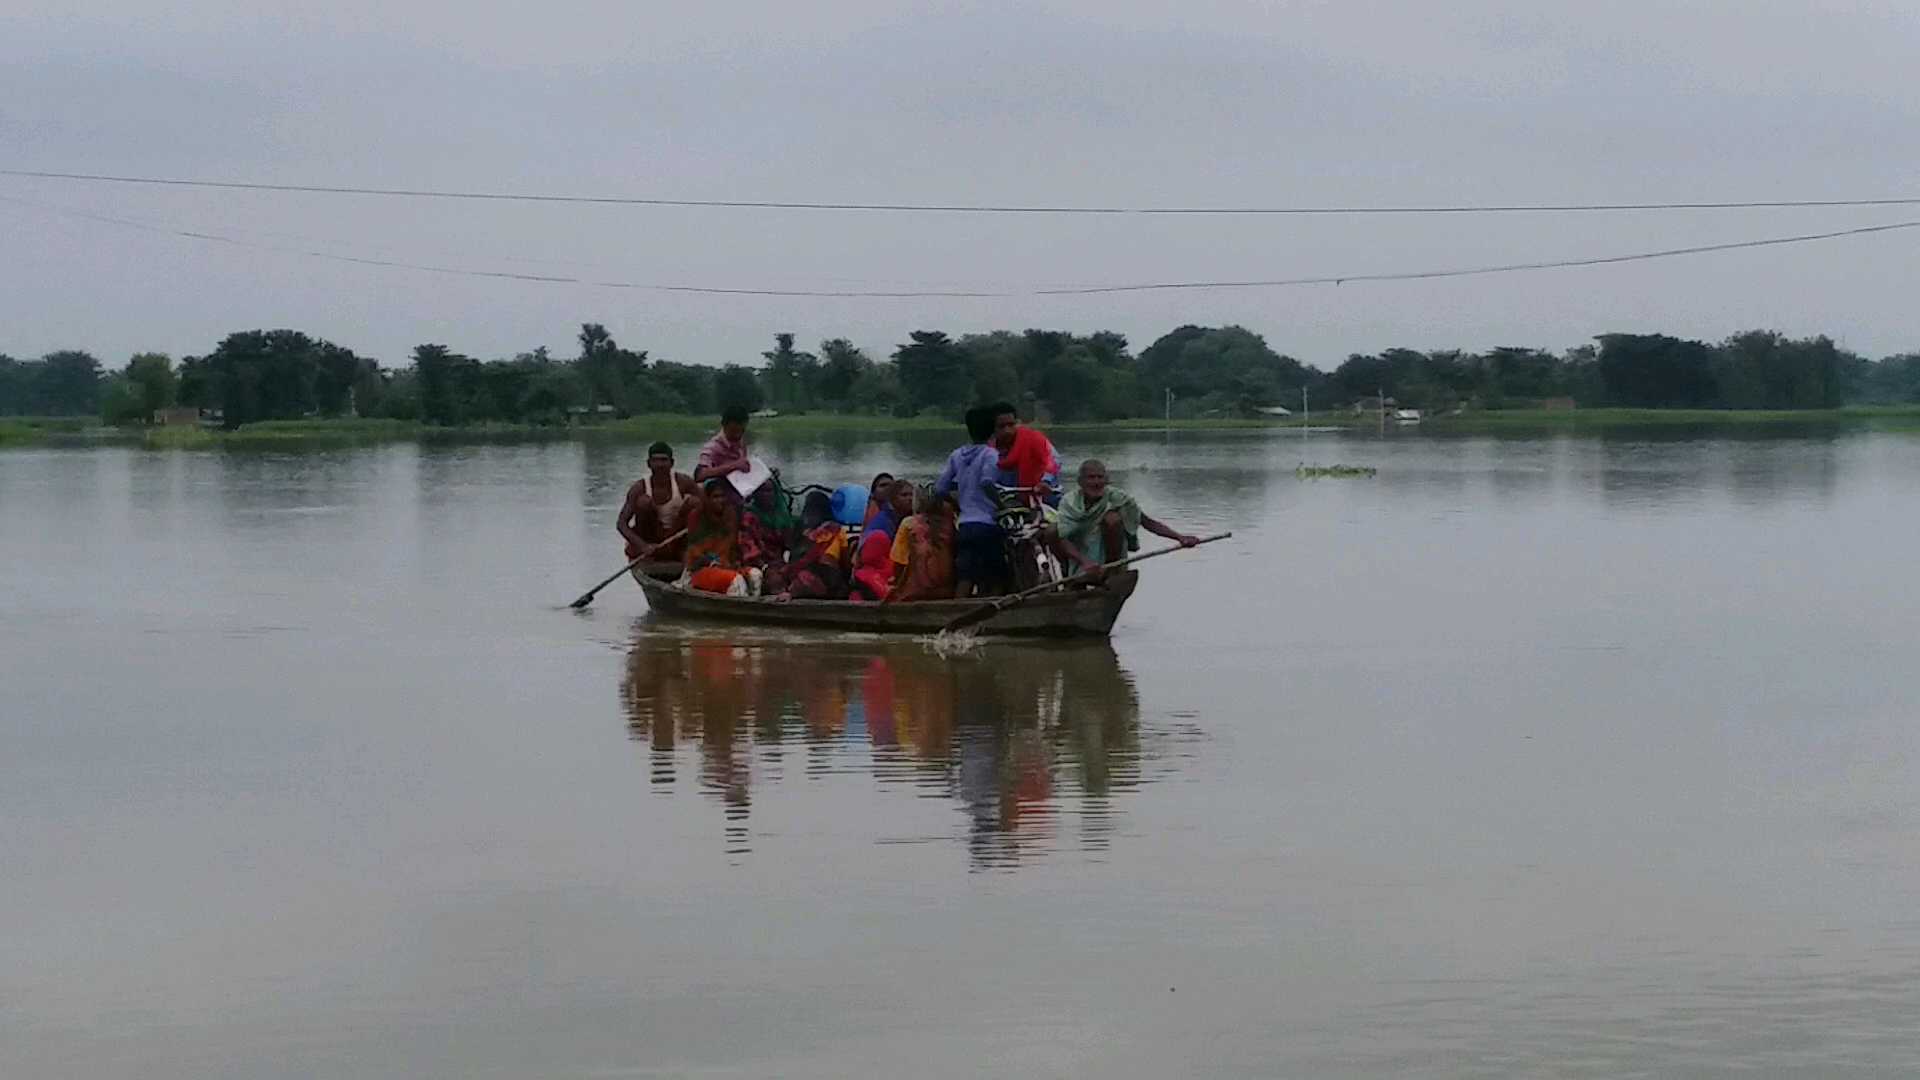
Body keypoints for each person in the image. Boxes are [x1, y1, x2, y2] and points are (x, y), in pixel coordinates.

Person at [1046, 459, 1200, 580]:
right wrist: (1084, 562)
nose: (1096, 482)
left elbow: (1147, 522)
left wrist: (1180, 537)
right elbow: (1062, 537)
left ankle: (1111, 571)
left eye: (1100, 477)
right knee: (1051, 530)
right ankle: (1068, 572)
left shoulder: (1118, 497)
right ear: (1081, 482)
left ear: (1107, 480)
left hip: (1107, 555)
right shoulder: (1069, 502)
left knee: (1112, 519)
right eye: (1091, 478)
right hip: (1079, 557)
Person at [935, 407, 1009, 598]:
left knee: (965, 577)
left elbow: (940, 489)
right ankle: (994, 615)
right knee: (996, 576)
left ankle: (957, 613)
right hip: (987, 525)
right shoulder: (990, 454)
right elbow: (986, 482)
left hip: (965, 525)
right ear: (993, 430)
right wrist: (1002, 506)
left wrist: (957, 503)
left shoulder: (957, 455)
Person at [616, 441, 697, 561]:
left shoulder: (684, 482)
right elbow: (621, 524)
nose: (660, 465)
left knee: (694, 503)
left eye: (664, 460)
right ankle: (653, 555)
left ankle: (684, 553)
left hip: (678, 538)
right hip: (651, 540)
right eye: (655, 460)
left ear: (672, 463)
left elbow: (708, 507)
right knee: (643, 503)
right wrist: (643, 546)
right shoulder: (639, 488)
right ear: (649, 464)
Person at [681, 479, 762, 596]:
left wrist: (734, 562)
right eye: (715, 497)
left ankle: (755, 610)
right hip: (700, 570)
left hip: (727, 565)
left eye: (723, 496)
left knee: (756, 575)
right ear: (707, 499)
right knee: (736, 580)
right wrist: (713, 562)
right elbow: (695, 555)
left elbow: (734, 548)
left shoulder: (731, 515)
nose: (721, 500)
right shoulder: (697, 517)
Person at [776, 491, 851, 601]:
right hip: (831, 587)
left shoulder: (798, 529)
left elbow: (793, 558)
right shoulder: (836, 529)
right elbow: (846, 563)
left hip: (799, 585)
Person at [884, 487, 956, 603]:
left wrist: (897, 587)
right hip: (947, 591)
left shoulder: (910, 524)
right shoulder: (950, 527)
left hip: (917, 592)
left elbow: (899, 565)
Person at [850, 476, 912, 602]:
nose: (910, 499)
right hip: (877, 569)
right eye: (904, 495)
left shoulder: (902, 518)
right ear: (893, 499)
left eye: (911, 495)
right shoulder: (884, 522)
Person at [991, 402, 1061, 501]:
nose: (1007, 431)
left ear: (1016, 423)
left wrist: (1046, 481)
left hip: (1041, 496)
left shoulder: (1034, 439)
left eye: (1011, 425)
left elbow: (1053, 462)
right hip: (1003, 500)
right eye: (1001, 426)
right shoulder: (987, 450)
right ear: (992, 428)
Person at [694, 406, 753, 485]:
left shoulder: (741, 442)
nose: (737, 436)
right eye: (733, 431)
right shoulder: (712, 447)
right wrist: (734, 466)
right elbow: (700, 474)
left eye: (741, 431)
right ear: (724, 426)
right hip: (721, 490)